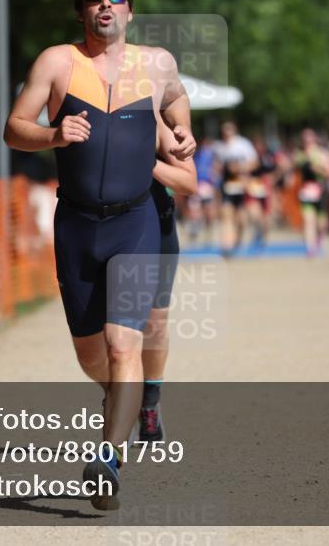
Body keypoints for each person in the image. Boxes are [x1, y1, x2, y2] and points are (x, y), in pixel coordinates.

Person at [3, 0, 196, 510]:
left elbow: (176, 99)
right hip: (78, 224)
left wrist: (182, 129)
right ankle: (120, 396)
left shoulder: (156, 64)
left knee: (122, 344)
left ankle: (108, 457)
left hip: (136, 222)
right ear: (82, 9)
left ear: (130, 9)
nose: (105, 3)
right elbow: (14, 127)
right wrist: (51, 133)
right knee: (93, 354)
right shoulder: (56, 62)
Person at [140, 149, 197, 444]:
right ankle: (118, 399)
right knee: (107, 332)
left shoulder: (161, 118)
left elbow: (188, 183)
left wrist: (146, 160)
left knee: (155, 321)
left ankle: (149, 403)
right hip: (103, 228)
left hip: (158, 226)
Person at [214, 121, 258, 256]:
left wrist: (239, 168)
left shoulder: (243, 144)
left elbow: (254, 163)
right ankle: (227, 246)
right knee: (226, 214)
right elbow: (217, 166)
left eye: (229, 131)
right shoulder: (219, 147)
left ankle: (237, 241)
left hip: (241, 186)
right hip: (227, 186)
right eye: (225, 132)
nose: (227, 134)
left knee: (241, 219)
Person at [295, 128, 329, 256]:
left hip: (320, 190)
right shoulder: (300, 155)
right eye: (305, 139)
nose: (307, 142)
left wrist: (318, 169)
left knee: (322, 224)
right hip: (306, 191)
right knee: (308, 220)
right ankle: (310, 248)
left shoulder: (323, 154)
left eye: (310, 138)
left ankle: (319, 239)